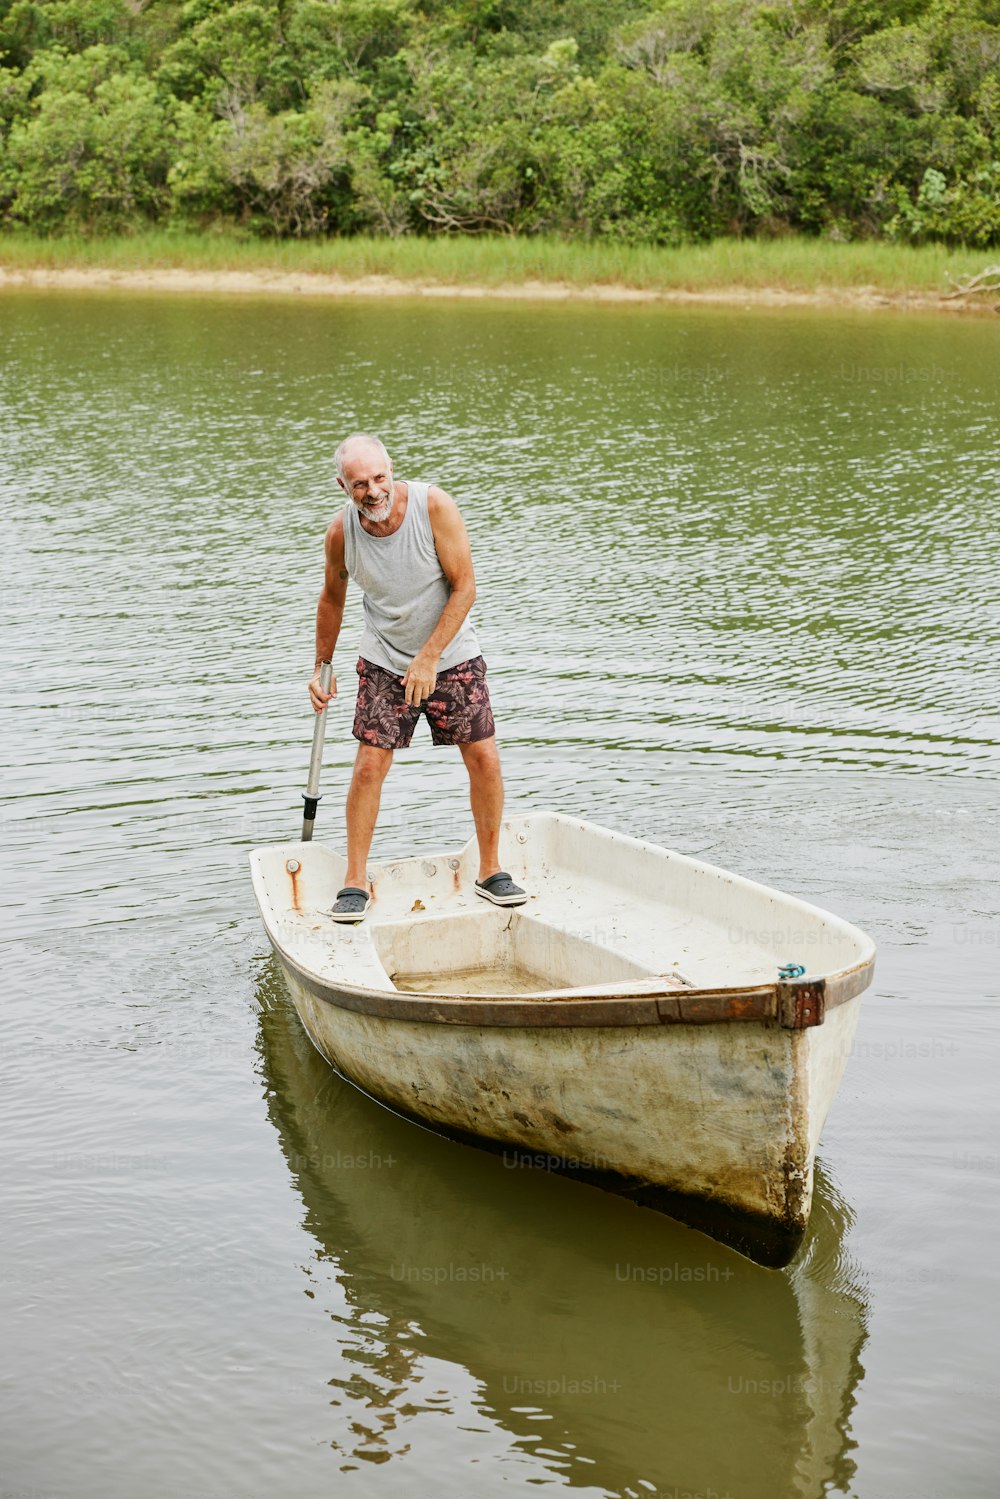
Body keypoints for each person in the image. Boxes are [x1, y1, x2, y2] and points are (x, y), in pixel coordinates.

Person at [308, 433, 527, 923]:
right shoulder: (341, 533)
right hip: (385, 658)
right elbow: (332, 596)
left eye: (380, 478)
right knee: (368, 766)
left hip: (451, 652)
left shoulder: (434, 507)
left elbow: (465, 586)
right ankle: (354, 880)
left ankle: (491, 870)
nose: (373, 492)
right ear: (342, 486)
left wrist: (429, 658)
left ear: (392, 471)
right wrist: (323, 666)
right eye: (360, 483)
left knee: (484, 756)